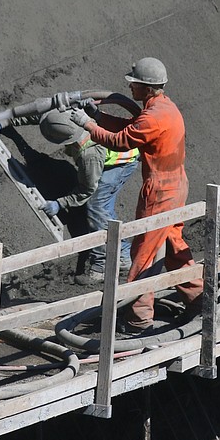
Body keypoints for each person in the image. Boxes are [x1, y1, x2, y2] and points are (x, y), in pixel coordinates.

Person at [70, 57, 201, 334]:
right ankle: (199, 297)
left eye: (134, 84)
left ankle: (138, 319)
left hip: (160, 190)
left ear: (147, 87)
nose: (130, 88)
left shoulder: (154, 116)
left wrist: (87, 125)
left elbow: (121, 141)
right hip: (177, 184)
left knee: (144, 252)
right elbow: (132, 126)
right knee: (173, 244)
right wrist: (98, 116)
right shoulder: (164, 108)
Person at [0, 110, 140, 284]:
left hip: (122, 161)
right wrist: (2, 124)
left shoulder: (90, 155)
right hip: (105, 151)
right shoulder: (65, 116)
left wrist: (60, 203)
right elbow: (37, 115)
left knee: (96, 205)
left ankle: (105, 262)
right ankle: (120, 253)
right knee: (91, 197)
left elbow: (86, 191)